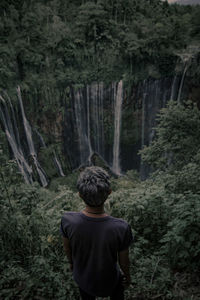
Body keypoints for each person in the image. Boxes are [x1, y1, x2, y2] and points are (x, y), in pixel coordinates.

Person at [60, 166, 133, 300]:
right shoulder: (121, 227)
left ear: (80, 195)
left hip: (83, 278)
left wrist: (72, 264)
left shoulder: (67, 220)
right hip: (111, 280)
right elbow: (124, 262)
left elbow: (67, 248)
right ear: (109, 192)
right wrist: (127, 277)